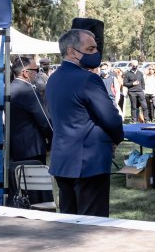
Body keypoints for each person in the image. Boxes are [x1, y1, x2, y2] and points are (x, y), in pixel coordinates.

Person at [46, 29, 124, 217]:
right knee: (92, 224)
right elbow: (111, 118)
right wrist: (116, 139)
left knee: (68, 220)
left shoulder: (53, 79)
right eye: (90, 49)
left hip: (63, 160)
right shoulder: (89, 79)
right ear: (72, 52)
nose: (96, 53)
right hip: (89, 162)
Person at [9, 57, 52, 165]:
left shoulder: (9, 89)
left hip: (16, 147)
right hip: (32, 148)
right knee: (36, 181)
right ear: (25, 73)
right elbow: (45, 121)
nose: (37, 73)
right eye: (36, 70)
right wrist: (52, 139)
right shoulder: (28, 91)